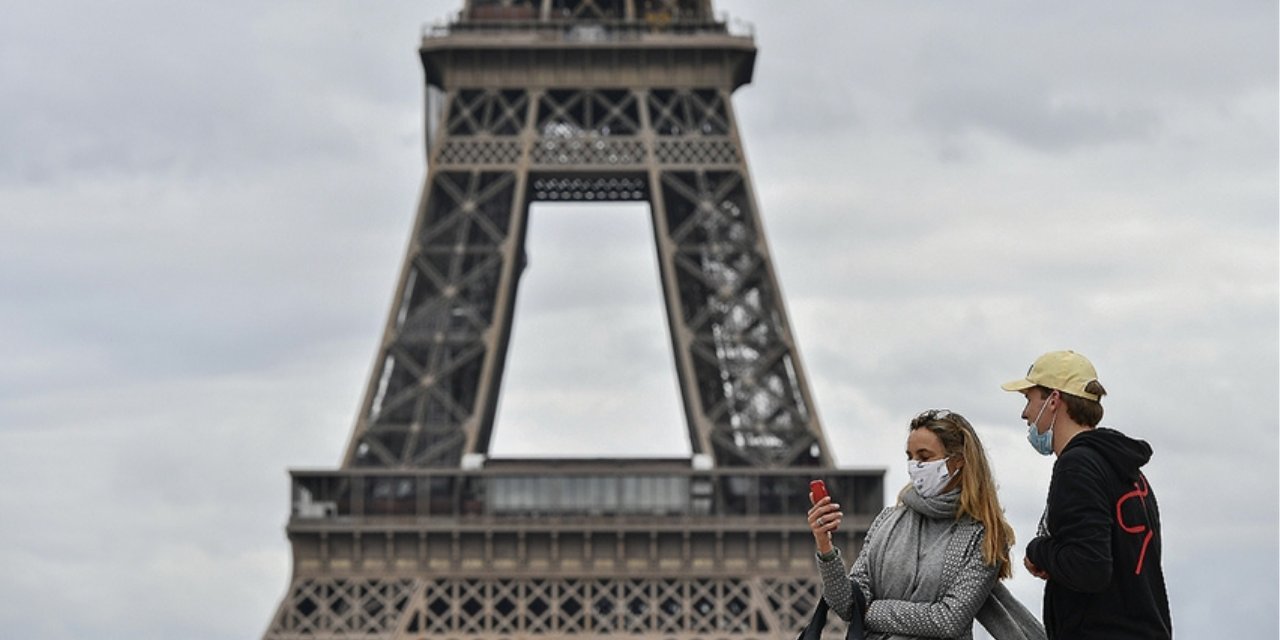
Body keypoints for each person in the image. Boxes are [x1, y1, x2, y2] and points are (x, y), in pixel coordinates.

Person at [807, 409, 1045, 640]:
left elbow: (949, 620)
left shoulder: (983, 536)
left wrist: (872, 611)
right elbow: (849, 607)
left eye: (924, 457)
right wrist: (825, 547)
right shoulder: (887, 521)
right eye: (910, 457)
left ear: (957, 462)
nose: (914, 466)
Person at [1001, 350, 1172, 639]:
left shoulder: (1077, 466)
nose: (1025, 413)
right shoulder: (1126, 469)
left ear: (1054, 400)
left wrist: (1038, 551)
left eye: (1029, 399)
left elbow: (1089, 567)